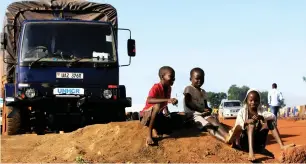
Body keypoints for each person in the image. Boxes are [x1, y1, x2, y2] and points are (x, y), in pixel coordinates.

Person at [229, 88, 295, 161]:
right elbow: (238, 125)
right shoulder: (242, 111)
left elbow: (272, 116)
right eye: (251, 100)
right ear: (246, 101)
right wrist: (246, 122)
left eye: (256, 100)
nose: (253, 102)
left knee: (270, 122)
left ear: (259, 101)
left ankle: (282, 146)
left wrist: (262, 117)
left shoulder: (260, 110)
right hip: (244, 142)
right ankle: (251, 153)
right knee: (251, 125)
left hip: (258, 142)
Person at [183, 67, 232, 143]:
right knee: (209, 126)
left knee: (214, 121)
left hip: (203, 113)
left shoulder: (203, 92)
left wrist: (209, 109)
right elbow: (188, 103)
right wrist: (201, 110)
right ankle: (225, 140)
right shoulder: (189, 89)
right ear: (190, 79)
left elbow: (206, 106)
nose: (199, 81)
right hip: (193, 115)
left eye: (202, 79)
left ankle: (227, 136)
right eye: (197, 79)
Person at [139, 66, 178, 146]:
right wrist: (167, 100)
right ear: (162, 77)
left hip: (158, 116)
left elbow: (165, 104)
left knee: (175, 121)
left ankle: (156, 128)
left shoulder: (168, 88)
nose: (173, 79)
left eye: (174, 77)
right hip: (147, 116)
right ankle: (149, 134)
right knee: (157, 105)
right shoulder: (156, 87)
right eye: (171, 76)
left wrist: (167, 112)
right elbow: (149, 100)